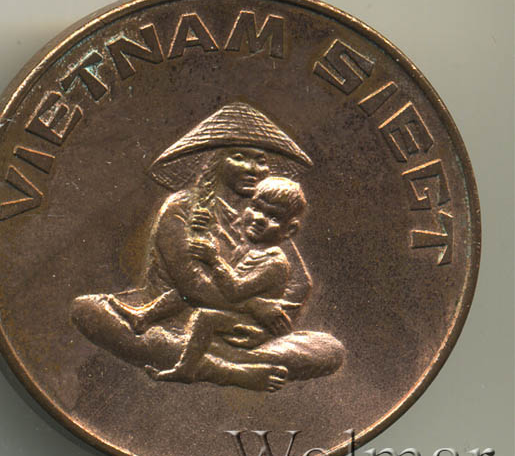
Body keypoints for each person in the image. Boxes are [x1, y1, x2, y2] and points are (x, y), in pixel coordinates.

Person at [71, 102, 345, 392]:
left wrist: (268, 325)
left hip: (235, 329)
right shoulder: (180, 207)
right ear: (215, 160)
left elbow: (299, 283)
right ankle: (234, 371)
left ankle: (216, 359)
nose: (253, 169)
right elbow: (194, 288)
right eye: (239, 157)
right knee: (88, 310)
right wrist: (256, 306)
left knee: (330, 349)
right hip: (174, 321)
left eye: (261, 160)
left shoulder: (265, 214)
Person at [145, 177, 306, 387]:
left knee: (205, 316)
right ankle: (143, 317)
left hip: (253, 324)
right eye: (256, 208)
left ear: (290, 230)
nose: (259, 218)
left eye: (273, 216)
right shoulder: (247, 249)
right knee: (185, 294)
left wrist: (214, 260)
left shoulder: (274, 262)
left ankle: (186, 369)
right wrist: (205, 236)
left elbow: (235, 291)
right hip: (240, 310)